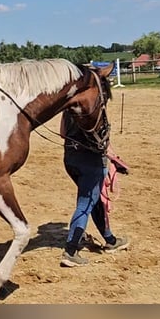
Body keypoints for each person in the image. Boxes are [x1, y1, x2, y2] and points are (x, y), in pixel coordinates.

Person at [59, 106, 130, 267]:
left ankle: (110, 240)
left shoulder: (68, 105)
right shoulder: (95, 105)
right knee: (85, 202)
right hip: (91, 162)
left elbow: (63, 132)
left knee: (93, 197)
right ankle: (70, 251)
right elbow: (102, 138)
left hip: (70, 159)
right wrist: (114, 159)